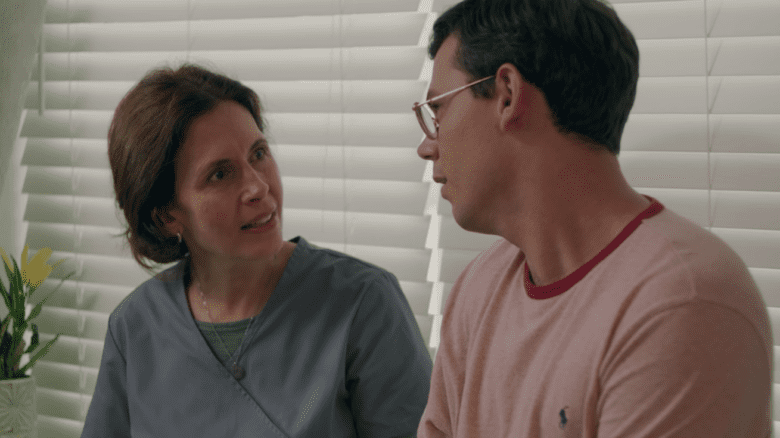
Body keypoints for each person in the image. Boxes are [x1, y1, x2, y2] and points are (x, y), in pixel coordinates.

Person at [412, 0, 772, 436]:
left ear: (507, 94)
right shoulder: (480, 286)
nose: (427, 146)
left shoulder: (683, 303)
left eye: (438, 110)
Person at [81, 64, 431, 437]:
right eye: (220, 174)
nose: (258, 186)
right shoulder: (135, 327)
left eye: (259, 153)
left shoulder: (363, 302)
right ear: (167, 215)